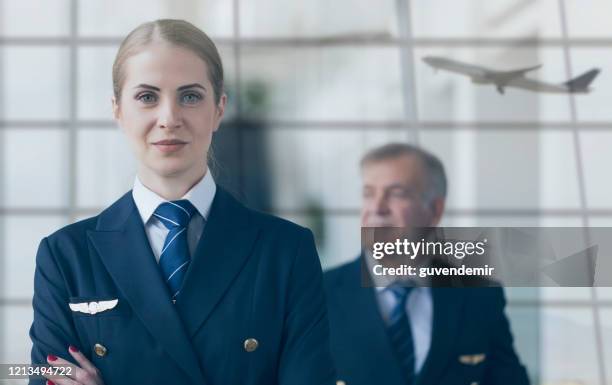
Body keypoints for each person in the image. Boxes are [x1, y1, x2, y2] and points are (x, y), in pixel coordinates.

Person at [29, 19, 335, 385]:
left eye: (190, 96)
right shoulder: (65, 257)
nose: (169, 118)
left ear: (219, 109)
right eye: (147, 97)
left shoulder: (287, 251)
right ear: (117, 110)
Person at [324, 143, 530, 385]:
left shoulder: (479, 296)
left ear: (434, 210)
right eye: (369, 193)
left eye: (396, 193)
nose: (377, 207)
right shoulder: (317, 294)